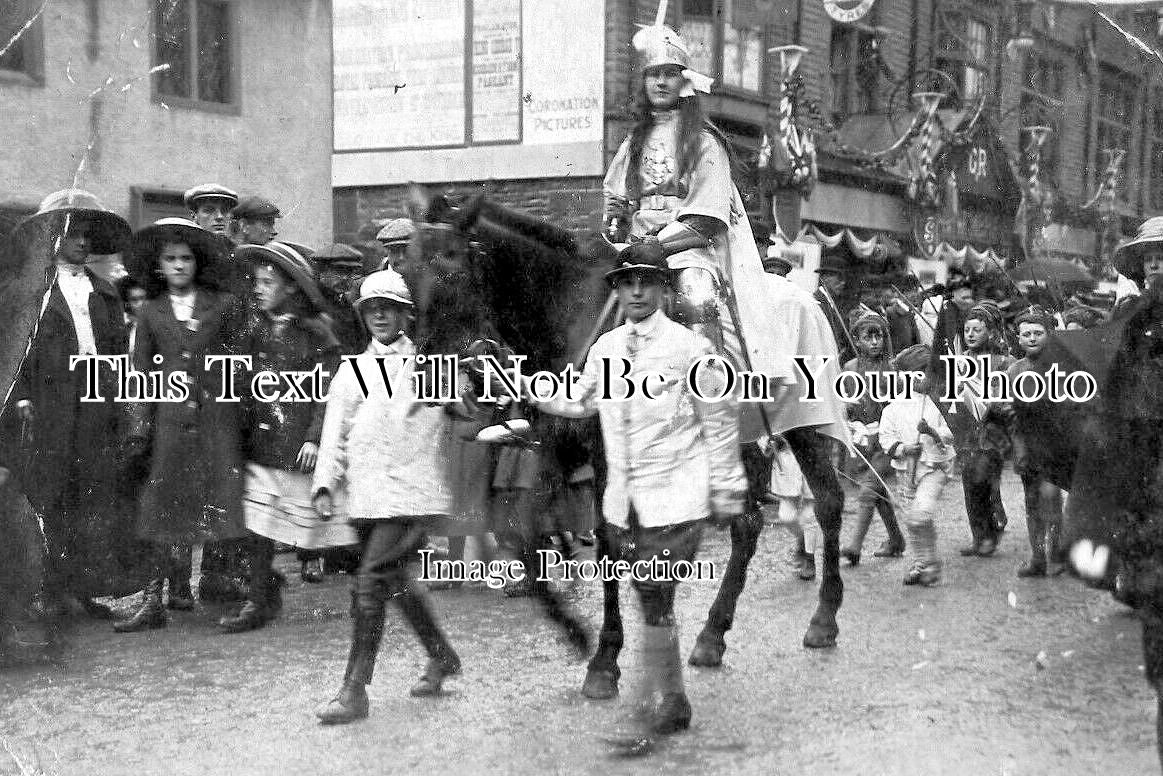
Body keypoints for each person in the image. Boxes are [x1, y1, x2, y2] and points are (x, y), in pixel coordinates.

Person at [529, 248, 746, 755]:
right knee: (653, 599)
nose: (638, 292)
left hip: (679, 494)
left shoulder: (690, 348)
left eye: (647, 282)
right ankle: (673, 701)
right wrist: (522, 386)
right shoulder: (605, 348)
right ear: (619, 290)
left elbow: (717, 421)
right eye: (628, 283)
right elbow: (579, 400)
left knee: (652, 592)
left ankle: (648, 713)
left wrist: (726, 488)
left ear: (664, 289)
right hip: (627, 502)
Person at [312, 269, 462, 724]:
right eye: (371, 307)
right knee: (393, 580)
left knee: (369, 584)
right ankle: (441, 656)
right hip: (368, 496)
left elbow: (460, 410)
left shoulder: (429, 365)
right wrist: (325, 483)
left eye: (389, 307)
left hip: (414, 496)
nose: (380, 314)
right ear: (362, 315)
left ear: (405, 315)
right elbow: (335, 430)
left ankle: (354, 689)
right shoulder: (351, 370)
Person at [600, 14, 783, 382]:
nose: (661, 81)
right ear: (644, 81)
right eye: (654, 73)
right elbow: (615, 209)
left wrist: (658, 245)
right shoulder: (631, 144)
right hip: (634, 251)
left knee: (695, 291)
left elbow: (707, 220)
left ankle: (711, 379)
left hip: (686, 252)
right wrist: (615, 217)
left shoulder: (704, 142)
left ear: (684, 81)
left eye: (670, 73)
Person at [2, 189, 133, 620]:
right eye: (71, 232)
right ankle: (45, 592)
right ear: (51, 235)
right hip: (47, 406)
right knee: (48, 495)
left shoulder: (105, 292)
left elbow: (117, 351)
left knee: (90, 496)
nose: (80, 241)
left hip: (96, 404)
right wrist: (19, 395)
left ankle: (82, 589)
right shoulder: (26, 292)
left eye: (86, 234)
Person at [113, 218, 248, 632]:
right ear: (158, 266)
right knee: (161, 504)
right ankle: (153, 600)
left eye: (185, 258)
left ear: (197, 262)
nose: (178, 265)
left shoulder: (222, 305)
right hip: (170, 425)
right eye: (169, 259)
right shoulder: (151, 312)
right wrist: (139, 428)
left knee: (221, 500)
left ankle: (233, 591)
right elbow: (139, 373)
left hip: (216, 423)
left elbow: (240, 362)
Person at [219, 241, 350, 632]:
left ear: (290, 287)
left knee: (323, 521)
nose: (257, 289)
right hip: (262, 444)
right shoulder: (253, 329)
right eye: (255, 282)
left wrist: (314, 438)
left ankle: (373, 585)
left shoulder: (316, 333)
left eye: (266, 282)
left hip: (298, 445)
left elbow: (328, 391)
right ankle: (259, 599)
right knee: (255, 523)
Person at [879, 344, 955, 586]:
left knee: (920, 516)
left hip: (934, 467)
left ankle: (931, 562)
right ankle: (922, 561)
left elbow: (950, 433)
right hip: (906, 470)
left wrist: (931, 431)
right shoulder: (893, 407)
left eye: (924, 372)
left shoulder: (940, 402)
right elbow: (886, 438)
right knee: (912, 518)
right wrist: (902, 448)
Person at [1002, 306, 1066, 577]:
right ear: (1018, 339)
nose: (1032, 338)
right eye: (1026, 334)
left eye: (1038, 333)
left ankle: (1057, 552)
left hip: (1055, 442)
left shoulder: (1061, 367)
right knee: (1031, 500)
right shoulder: (1013, 370)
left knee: (1051, 497)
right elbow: (1005, 407)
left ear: (1049, 335)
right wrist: (1006, 407)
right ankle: (1037, 556)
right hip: (1027, 443)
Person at [947, 301, 1014, 558]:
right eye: (967, 331)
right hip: (967, 433)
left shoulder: (1003, 362)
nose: (971, 335)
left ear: (991, 332)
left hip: (992, 434)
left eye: (977, 330)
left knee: (984, 481)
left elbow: (1008, 396)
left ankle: (991, 534)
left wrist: (994, 400)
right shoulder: (960, 361)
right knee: (969, 484)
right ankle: (978, 536)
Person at [840, 310, 906, 564]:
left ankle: (855, 546)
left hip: (887, 440)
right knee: (877, 491)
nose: (875, 341)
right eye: (868, 337)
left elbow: (900, 406)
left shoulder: (894, 370)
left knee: (869, 491)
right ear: (857, 341)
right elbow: (845, 404)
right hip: (862, 440)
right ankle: (896, 539)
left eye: (879, 336)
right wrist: (850, 408)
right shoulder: (850, 368)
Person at [814, 253, 855, 364]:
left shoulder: (834, 304)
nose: (843, 282)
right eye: (839, 278)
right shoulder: (816, 303)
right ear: (824, 278)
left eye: (844, 279)